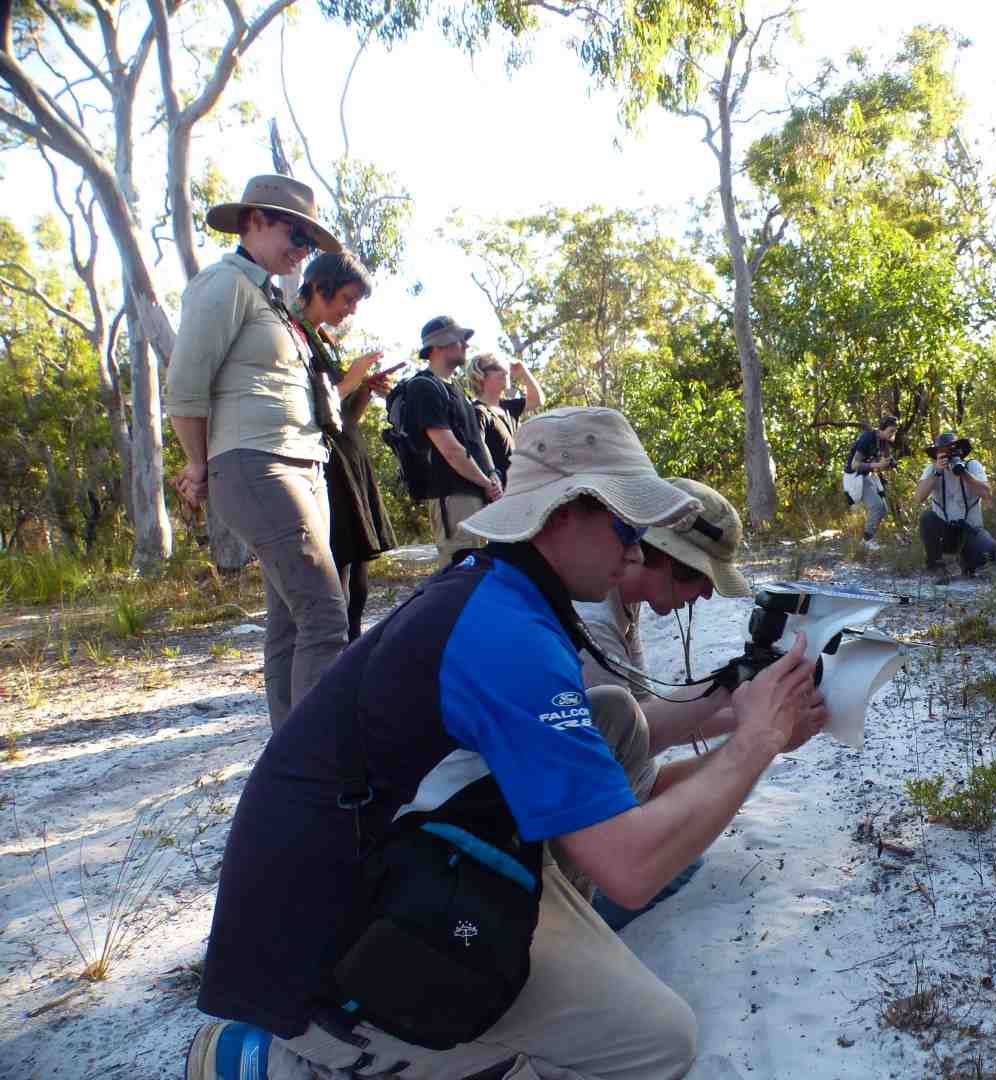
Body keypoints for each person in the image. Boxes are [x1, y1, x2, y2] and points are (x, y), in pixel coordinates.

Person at [185, 406, 822, 1080]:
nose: (637, 552)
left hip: (379, 861)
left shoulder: (501, 593)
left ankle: (527, 982)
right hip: (325, 945)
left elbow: (605, 749)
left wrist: (746, 720)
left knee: (611, 718)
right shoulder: (508, 637)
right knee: (657, 1042)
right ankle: (293, 1059)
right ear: (563, 512)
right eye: (627, 527)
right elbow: (633, 871)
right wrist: (756, 741)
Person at [575, 478, 829, 929]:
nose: (707, 594)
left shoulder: (620, 604)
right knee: (672, 862)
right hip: (561, 844)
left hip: (588, 794)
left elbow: (642, 721)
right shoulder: (593, 625)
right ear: (664, 557)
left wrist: (748, 703)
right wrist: (756, 731)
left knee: (682, 853)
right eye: (701, 576)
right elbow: (639, 739)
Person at [165, 173, 350, 730]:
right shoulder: (222, 285)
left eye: (310, 242)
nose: (302, 249)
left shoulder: (276, 301)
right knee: (324, 614)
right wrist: (198, 463)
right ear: (253, 221)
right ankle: (322, 764)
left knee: (292, 622)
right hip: (256, 463)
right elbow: (185, 386)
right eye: (294, 232)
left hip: (303, 465)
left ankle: (290, 759)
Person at [293, 251, 399, 641]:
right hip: (324, 467)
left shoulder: (326, 339)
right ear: (320, 287)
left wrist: (364, 388)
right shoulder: (291, 332)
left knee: (357, 573)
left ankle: (352, 650)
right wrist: (352, 377)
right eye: (348, 299)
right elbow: (308, 409)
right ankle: (333, 656)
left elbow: (342, 415)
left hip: (349, 461)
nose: (351, 309)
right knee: (334, 570)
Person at [408, 315, 502, 563]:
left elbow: (475, 441)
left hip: (477, 495)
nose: (466, 346)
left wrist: (492, 475)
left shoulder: (456, 389)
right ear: (439, 345)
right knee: (461, 573)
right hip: (454, 499)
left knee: (482, 572)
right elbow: (450, 449)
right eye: (460, 340)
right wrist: (485, 482)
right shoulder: (423, 387)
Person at [914, 432, 996, 583]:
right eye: (944, 451)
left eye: (952, 450)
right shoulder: (932, 469)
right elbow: (918, 497)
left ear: (961, 451)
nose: (948, 454)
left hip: (970, 529)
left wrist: (963, 473)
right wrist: (937, 472)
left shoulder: (972, 466)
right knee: (927, 518)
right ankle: (936, 566)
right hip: (945, 530)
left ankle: (967, 564)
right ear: (937, 454)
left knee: (991, 550)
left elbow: (987, 494)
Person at [468, 352, 545, 486]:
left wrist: (523, 371)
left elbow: (538, 400)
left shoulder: (508, 407)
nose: (504, 370)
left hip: (518, 486)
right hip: (497, 492)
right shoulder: (477, 412)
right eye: (496, 367)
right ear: (480, 376)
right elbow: (476, 452)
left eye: (504, 366)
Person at [843, 415, 899, 550]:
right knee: (876, 506)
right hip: (855, 477)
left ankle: (869, 538)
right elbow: (854, 465)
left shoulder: (883, 441)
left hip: (867, 475)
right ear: (882, 429)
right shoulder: (867, 438)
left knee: (883, 510)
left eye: (894, 431)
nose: (893, 434)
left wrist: (889, 462)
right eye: (891, 431)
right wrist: (877, 465)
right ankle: (866, 541)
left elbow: (884, 459)